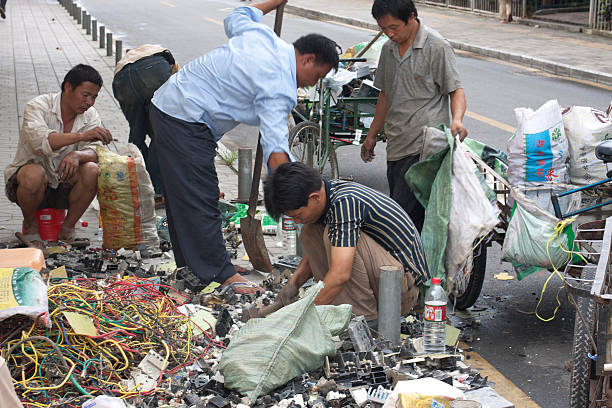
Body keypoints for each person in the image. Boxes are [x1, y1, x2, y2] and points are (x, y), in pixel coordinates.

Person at [149, 0, 339, 294]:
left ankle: (194, 266)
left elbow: (240, 13)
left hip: (170, 102)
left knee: (183, 196)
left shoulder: (264, 38)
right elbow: (277, 151)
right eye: (317, 76)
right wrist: (291, 194)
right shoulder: (280, 86)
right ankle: (219, 273)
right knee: (201, 195)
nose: (312, 85)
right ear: (308, 59)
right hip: (185, 118)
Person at [264, 162, 430, 323]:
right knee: (311, 230)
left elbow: (340, 274)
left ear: (314, 197)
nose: (297, 221)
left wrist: (300, 317)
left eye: (298, 215)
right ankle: (337, 306)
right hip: (385, 279)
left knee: (333, 236)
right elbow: (313, 253)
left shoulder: (346, 203)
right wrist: (293, 284)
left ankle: (364, 319)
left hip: (401, 292)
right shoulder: (328, 193)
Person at [361, 0, 467, 232]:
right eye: (383, 29)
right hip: (396, 144)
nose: (389, 34)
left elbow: (455, 90)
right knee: (414, 221)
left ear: (411, 18)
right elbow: (385, 96)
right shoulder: (388, 50)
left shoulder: (437, 46)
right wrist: (372, 135)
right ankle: (418, 267)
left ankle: (399, 267)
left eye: (394, 27)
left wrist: (457, 119)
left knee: (398, 218)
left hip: (425, 148)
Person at [4, 64, 112, 249]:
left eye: (94, 97)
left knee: (92, 169)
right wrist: (81, 136)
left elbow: (96, 149)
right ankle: (30, 227)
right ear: (68, 87)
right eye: (85, 95)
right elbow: (43, 142)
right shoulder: (37, 107)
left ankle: (67, 229)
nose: (89, 102)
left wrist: (78, 155)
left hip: (63, 184)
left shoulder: (90, 115)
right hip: (27, 186)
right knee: (33, 174)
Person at [112, 45, 180, 207]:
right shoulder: (178, 72)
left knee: (136, 132)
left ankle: (135, 184)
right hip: (153, 70)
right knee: (162, 133)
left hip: (122, 80)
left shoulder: (150, 51)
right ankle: (157, 191)